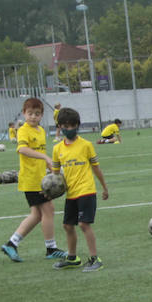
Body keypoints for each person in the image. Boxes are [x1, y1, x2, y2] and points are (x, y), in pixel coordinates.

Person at [0, 97, 65, 262]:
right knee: (48, 210)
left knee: (36, 215)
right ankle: (51, 248)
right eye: (30, 113)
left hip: (40, 178)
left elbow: (42, 157)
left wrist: (52, 169)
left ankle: (11, 243)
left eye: (37, 114)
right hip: (31, 180)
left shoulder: (41, 131)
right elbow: (22, 149)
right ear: (24, 113)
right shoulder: (23, 130)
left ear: (42, 115)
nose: (33, 117)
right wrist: (45, 157)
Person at [51, 107, 109, 272]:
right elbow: (55, 176)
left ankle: (94, 258)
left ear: (77, 126)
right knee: (68, 226)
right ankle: (72, 258)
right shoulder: (57, 149)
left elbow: (96, 168)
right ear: (60, 127)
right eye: (64, 126)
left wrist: (104, 187)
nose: (68, 129)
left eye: (71, 126)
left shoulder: (86, 145)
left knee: (84, 224)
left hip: (87, 191)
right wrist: (50, 190)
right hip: (71, 194)